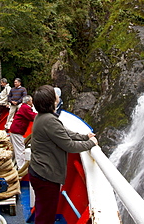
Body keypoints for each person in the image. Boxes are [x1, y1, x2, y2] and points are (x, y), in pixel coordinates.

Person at [29, 85, 98, 224]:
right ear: (51, 101)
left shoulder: (43, 117)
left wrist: (85, 136)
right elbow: (70, 146)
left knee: (43, 211)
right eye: (55, 95)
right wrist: (92, 143)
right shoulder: (49, 120)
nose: (57, 97)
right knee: (46, 216)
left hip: (39, 171)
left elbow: (64, 132)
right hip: (46, 176)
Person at [9, 95, 37, 169]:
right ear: (28, 101)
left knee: (13, 149)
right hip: (17, 131)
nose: (32, 102)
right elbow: (32, 117)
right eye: (31, 101)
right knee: (20, 149)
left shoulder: (23, 107)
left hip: (14, 130)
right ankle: (21, 167)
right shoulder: (26, 108)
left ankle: (10, 163)